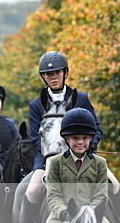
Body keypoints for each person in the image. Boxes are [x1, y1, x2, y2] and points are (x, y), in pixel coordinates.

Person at [25, 51, 102, 206]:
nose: (53, 77)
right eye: (48, 74)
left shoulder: (81, 99)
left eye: (57, 73)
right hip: (47, 157)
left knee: (114, 185)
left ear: (65, 73)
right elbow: (34, 137)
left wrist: (87, 147)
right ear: (43, 77)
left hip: (81, 155)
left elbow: (97, 127)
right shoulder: (35, 105)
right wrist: (48, 156)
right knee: (31, 191)